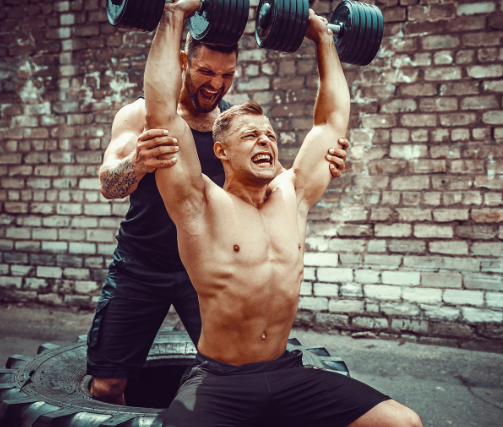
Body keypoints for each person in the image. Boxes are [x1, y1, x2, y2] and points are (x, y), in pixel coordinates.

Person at [145, 0, 423, 425]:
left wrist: (324, 36)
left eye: (271, 135)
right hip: (221, 380)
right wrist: (174, 13)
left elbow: (331, 122)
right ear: (220, 150)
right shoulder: (199, 204)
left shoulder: (294, 193)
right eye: (251, 135)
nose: (265, 142)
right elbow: (162, 110)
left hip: (286, 372)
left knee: (401, 422)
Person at [87, 29, 351, 406]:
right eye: (206, 71)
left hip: (208, 270)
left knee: (239, 372)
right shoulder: (141, 115)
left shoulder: (231, 126)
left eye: (227, 75)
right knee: (107, 386)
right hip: (142, 265)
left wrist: (326, 163)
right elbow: (109, 185)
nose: (216, 84)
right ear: (183, 62)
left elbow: (280, 183)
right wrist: (138, 162)